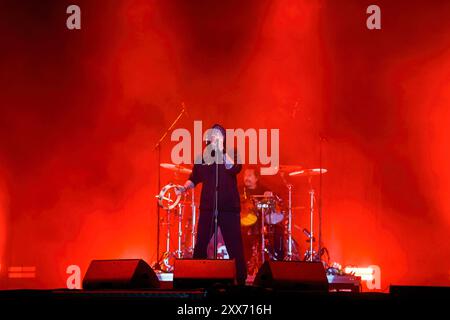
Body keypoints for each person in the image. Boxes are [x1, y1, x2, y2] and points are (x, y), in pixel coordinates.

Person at [176, 124, 247, 285]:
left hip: (229, 208)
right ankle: (194, 280)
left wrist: (221, 150)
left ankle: (241, 280)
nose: (214, 137)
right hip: (208, 207)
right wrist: (184, 188)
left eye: (218, 135)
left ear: (223, 137)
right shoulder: (203, 157)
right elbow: (194, 178)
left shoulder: (232, 153)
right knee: (200, 244)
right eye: (212, 135)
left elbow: (234, 168)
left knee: (235, 245)